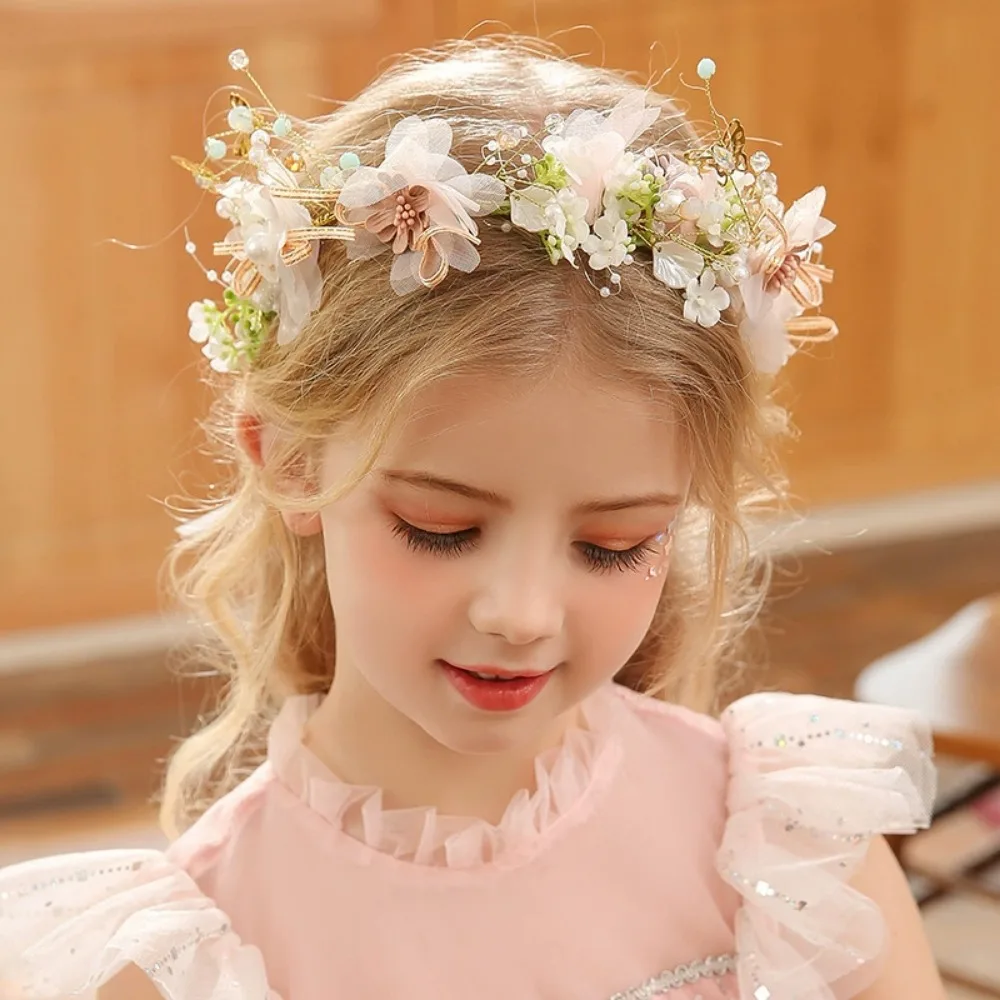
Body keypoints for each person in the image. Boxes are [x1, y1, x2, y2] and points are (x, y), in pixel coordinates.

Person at [0, 36, 945, 1000]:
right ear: (287, 460)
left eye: (612, 546)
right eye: (441, 528)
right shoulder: (186, 964)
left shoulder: (794, 859)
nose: (523, 613)